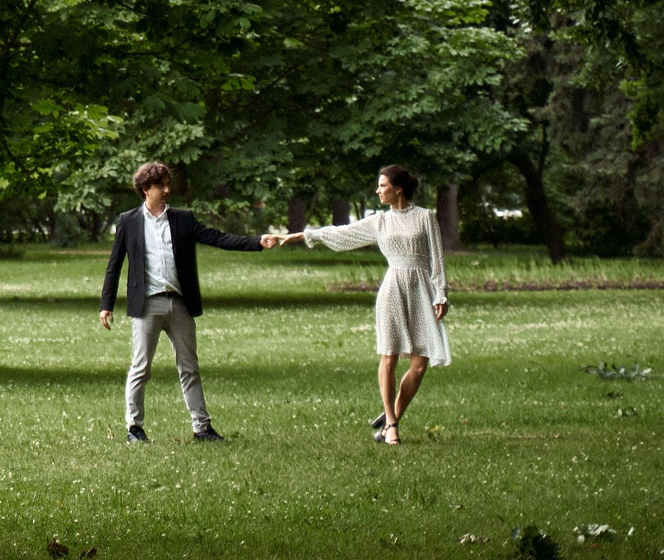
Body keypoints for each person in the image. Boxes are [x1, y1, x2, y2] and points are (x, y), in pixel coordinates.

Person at [98, 162, 276, 444]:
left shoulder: (182, 219)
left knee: (189, 367)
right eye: (161, 185)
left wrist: (256, 241)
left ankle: (202, 428)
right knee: (141, 367)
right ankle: (135, 428)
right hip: (146, 306)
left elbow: (217, 238)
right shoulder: (129, 221)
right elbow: (114, 265)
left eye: (169, 184)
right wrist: (106, 304)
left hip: (179, 304)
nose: (168, 190)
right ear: (146, 189)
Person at [268, 164, 447, 445]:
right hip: (393, 289)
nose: (377, 191)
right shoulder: (380, 222)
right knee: (389, 357)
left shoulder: (426, 218)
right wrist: (301, 235)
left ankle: (392, 418)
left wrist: (441, 294)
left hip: (422, 289)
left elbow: (437, 259)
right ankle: (391, 424)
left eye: (382, 186)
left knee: (419, 364)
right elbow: (341, 234)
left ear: (398, 188)